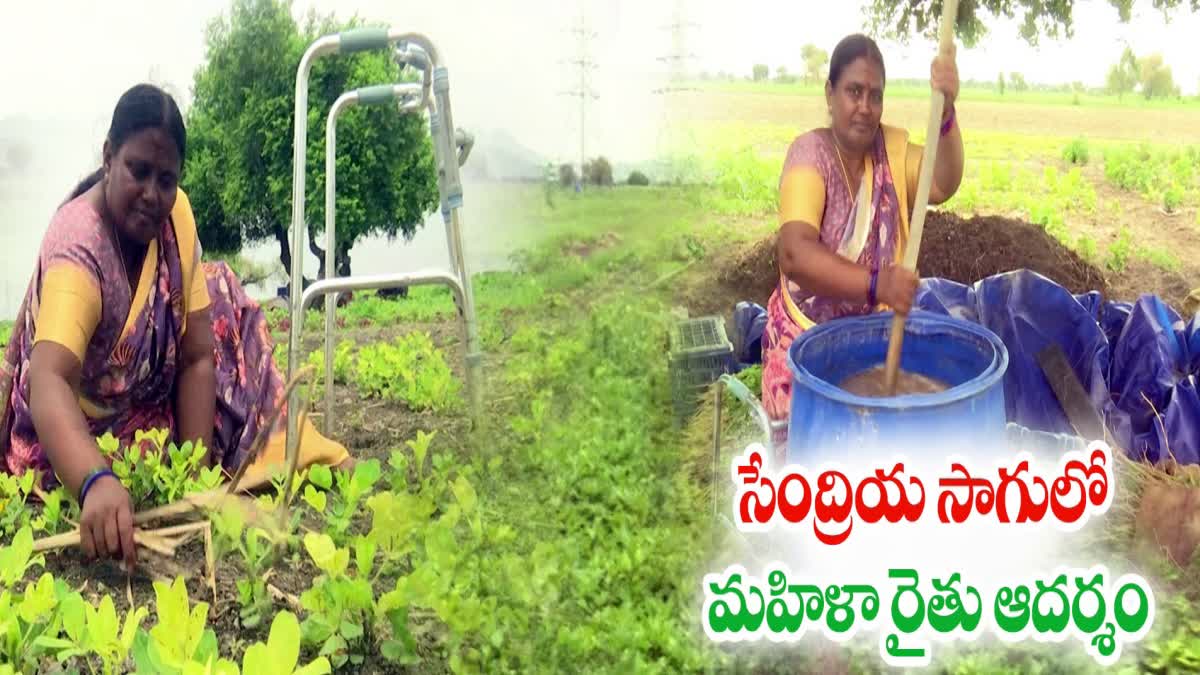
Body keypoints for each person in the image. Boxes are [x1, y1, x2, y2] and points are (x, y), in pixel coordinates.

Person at [0, 83, 352, 568]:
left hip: (148, 399)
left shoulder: (176, 215)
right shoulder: (79, 246)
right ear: (108, 157)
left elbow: (196, 356)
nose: (151, 194)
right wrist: (94, 482)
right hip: (74, 427)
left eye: (166, 179)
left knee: (222, 297)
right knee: (112, 476)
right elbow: (49, 380)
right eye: (138, 171)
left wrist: (195, 480)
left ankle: (284, 452)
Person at [762, 34, 964, 443]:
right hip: (805, 339)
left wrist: (946, 112)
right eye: (854, 92)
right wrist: (877, 283)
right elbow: (794, 253)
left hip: (875, 336)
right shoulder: (810, 154)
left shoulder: (889, 153)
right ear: (830, 94)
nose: (865, 107)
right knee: (812, 432)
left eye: (875, 95)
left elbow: (942, 181)